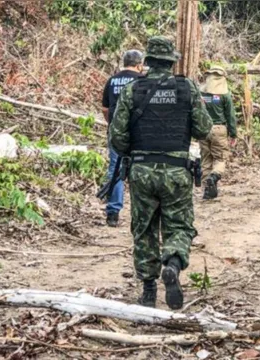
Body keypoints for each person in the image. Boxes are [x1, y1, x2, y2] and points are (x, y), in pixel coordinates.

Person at [109, 37, 212, 310]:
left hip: (142, 170)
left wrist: (136, 152)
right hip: (177, 170)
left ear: (148, 62)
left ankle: (148, 289)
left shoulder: (133, 89)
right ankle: (173, 264)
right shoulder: (186, 87)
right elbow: (203, 129)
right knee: (178, 226)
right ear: (170, 62)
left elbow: (117, 136)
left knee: (144, 229)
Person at [101, 50, 144, 227]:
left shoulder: (112, 81)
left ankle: (113, 213)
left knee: (115, 169)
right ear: (139, 64)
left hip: (116, 132)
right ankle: (140, 212)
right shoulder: (142, 81)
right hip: (138, 133)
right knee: (139, 170)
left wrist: (113, 124)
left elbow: (105, 108)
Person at [199, 65, 237, 200]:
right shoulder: (225, 95)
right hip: (219, 129)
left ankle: (207, 191)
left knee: (205, 159)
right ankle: (214, 176)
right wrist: (233, 134)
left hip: (203, 129)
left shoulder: (201, 92)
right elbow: (230, 115)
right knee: (220, 158)